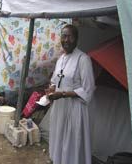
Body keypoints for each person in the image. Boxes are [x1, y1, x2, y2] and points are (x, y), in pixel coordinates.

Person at [46, 24, 95, 164]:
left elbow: (88, 89)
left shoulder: (83, 59)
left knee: (72, 141)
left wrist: (62, 95)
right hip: (60, 108)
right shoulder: (61, 58)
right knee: (59, 136)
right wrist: (52, 89)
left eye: (70, 36)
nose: (66, 40)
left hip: (74, 110)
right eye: (63, 36)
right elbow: (55, 80)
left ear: (76, 39)